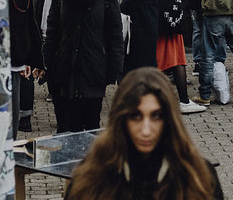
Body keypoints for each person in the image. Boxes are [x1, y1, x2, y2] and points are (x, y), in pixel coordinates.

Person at [65, 67, 222, 200]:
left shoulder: (199, 178)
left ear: (169, 120)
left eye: (156, 116)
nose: (146, 130)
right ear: (121, 119)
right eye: (135, 116)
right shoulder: (89, 179)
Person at [44, 0, 123, 132]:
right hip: (65, 68)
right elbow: (52, 28)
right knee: (65, 129)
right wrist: (48, 62)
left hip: (92, 68)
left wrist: (114, 68)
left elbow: (114, 31)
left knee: (89, 130)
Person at [4, 0, 43, 136]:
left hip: (17, 61)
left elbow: (28, 23)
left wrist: (30, 57)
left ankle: (7, 163)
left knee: (12, 120)